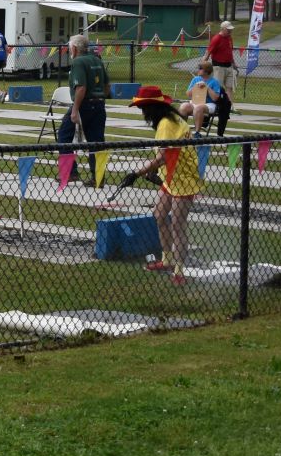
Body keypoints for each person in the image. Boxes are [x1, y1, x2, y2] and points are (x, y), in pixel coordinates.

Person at [116, 84, 202, 284]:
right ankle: (167, 260)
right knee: (159, 215)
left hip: (183, 179)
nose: (142, 113)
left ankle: (179, 272)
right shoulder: (170, 118)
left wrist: (136, 173)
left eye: (143, 109)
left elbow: (162, 157)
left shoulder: (165, 124)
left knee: (178, 225)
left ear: (152, 108)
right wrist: (152, 172)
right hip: (172, 177)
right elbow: (166, 155)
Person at [58, 33, 109, 184]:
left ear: (74, 48)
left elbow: (81, 88)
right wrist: (100, 98)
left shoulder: (78, 62)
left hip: (84, 105)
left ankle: (70, 172)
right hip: (99, 105)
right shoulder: (97, 60)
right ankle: (98, 177)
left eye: (69, 48)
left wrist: (75, 110)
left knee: (64, 135)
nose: (69, 51)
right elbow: (107, 86)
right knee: (97, 141)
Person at [179, 60, 223, 134]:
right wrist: (196, 87)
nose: (198, 70)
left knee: (198, 108)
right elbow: (188, 95)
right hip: (196, 102)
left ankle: (197, 133)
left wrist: (207, 87)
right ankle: (182, 131)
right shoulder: (195, 79)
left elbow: (215, 98)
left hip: (209, 104)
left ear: (206, 71)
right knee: (183, 106)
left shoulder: (214, 82)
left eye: (200, 68)